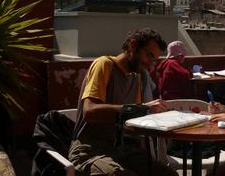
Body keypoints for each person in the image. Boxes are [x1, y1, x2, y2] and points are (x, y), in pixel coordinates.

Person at [68, 28, 178, 176]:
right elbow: (89, 111)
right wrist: (141, 109)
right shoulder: (104, 65)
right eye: (148, 56)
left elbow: (136, 123)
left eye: (154, 60)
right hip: (90, 150)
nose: (150, 64)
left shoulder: (137, 76)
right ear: (133, 46)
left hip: (122, 149)